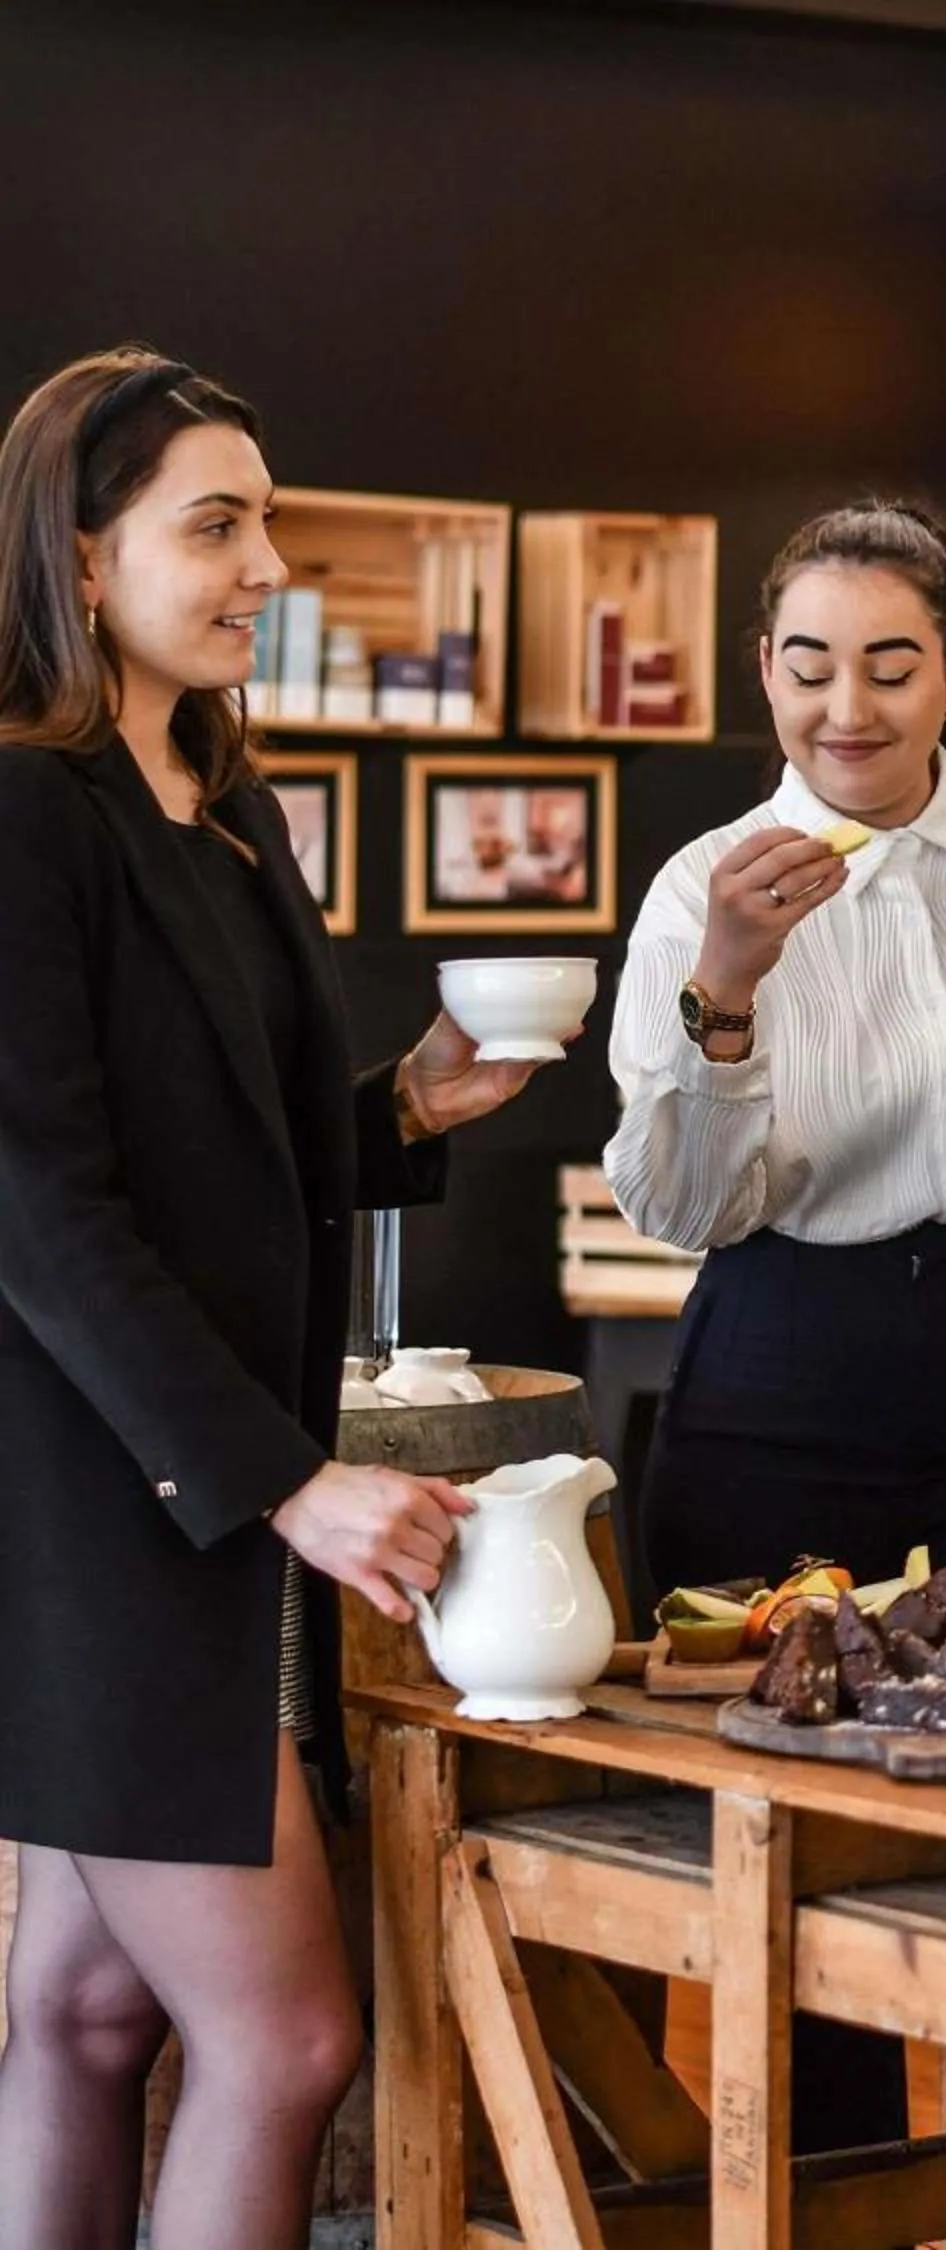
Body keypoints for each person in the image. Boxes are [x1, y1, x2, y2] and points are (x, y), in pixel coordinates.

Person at [0, 347, 552, 2249]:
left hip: (171, 1510)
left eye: (270, 523)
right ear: (80, 559)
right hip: (95, 1513)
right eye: (214, 525)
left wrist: (395, 1108)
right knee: (288, 2041)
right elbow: (43, 1209)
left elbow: (211, 1141)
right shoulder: (22, 813)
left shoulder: (228, 809)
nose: (263, 565)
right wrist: (285, 1483)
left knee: (82, 2014)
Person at [606, 499, 946, 1614]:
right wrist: (726, 980)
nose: (848, 711)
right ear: (767, 670)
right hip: (782, 1377)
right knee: (768, 1735)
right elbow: (683, 1210)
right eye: (812, 669)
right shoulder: (702, 888)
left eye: (891, 669)